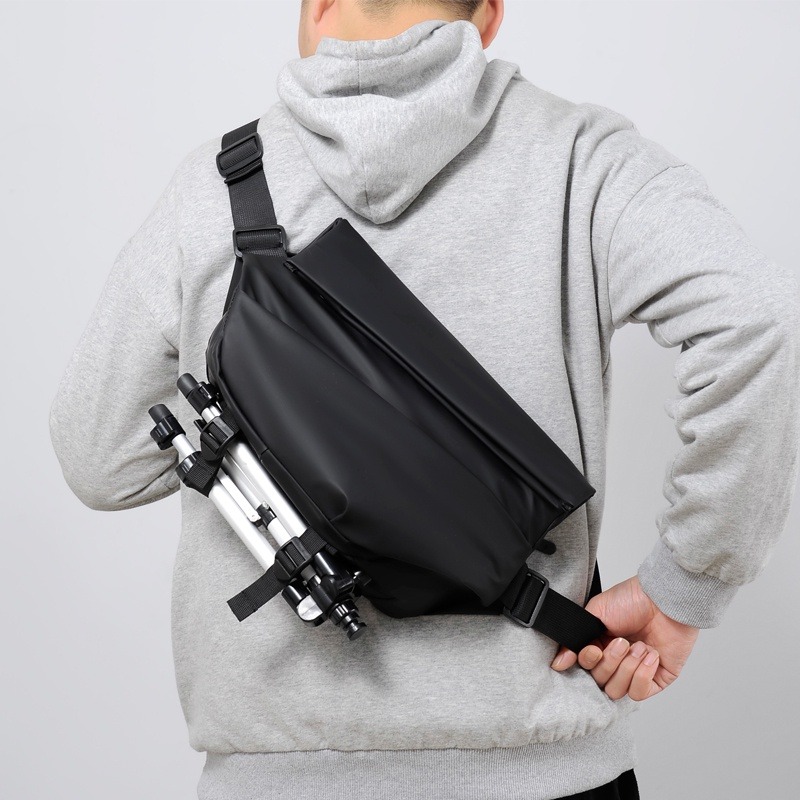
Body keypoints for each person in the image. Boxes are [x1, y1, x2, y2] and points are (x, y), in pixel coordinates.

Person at [48, 0, 800, 798]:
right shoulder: (584, 159)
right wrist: (682, 590)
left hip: (282, 772)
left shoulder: (215, 185)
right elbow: (756, 319)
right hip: (545, 769)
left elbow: (99, 458)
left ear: (318, 6)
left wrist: (269, 423)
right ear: (489, 15)